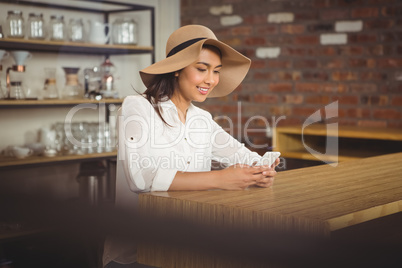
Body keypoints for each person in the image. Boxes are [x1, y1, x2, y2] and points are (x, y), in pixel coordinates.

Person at [103, 24, 279, 268]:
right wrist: (221, 179)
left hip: (189, 247)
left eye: (216, 71)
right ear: (177, 69)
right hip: (138, 254)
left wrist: (261, 171)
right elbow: (141, 179)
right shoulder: (137, 107)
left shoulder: (202, 119)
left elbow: (242, 155)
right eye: (201, 69)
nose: (211, 79)